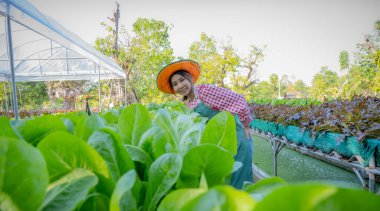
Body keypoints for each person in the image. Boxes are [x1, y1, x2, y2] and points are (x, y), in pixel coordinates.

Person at [156, 59, 253, 189]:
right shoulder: (186, 104)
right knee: (224, 180)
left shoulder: (204, 91)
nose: (179, 86)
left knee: (239, 179)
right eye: (175, 84)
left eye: (182, 80)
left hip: (235, 137)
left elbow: (239, 100)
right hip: (219, 142)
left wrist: (245, 125)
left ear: (189, 78)